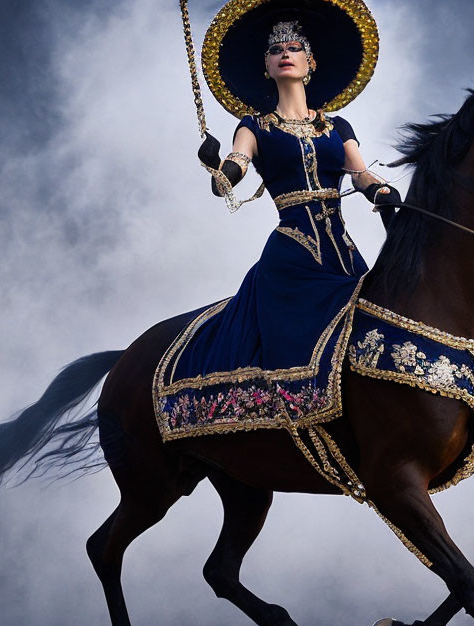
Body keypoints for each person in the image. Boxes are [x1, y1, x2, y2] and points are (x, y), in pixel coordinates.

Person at [155, 2, 399, 441]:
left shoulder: (335, 126)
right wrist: (218, 171)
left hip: (341, 251)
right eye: (276, 50)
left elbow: (360, 173)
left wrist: (383, 192)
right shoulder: (255, 126)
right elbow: (235, 167)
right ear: (267, 67)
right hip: (293, 251)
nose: (285, 53)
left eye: (295, 48)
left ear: (311, 63)